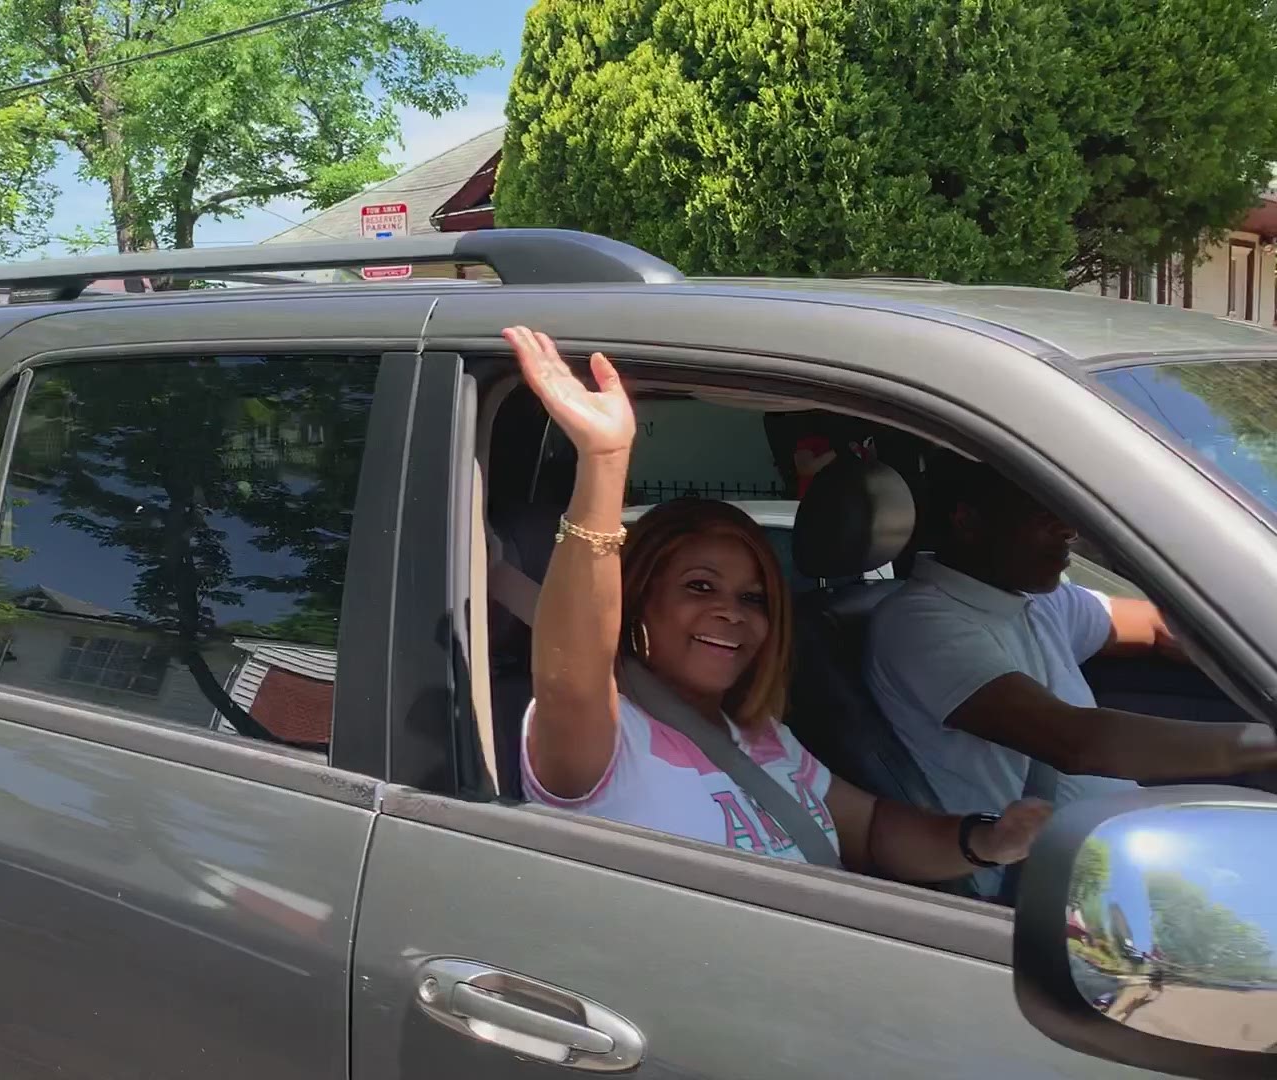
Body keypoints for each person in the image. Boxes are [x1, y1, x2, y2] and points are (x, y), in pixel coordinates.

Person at [506, 326, 1049, 880]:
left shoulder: (760, 734)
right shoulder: (603, 737)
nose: (731, 612)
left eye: (754, 597)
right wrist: (604, 460)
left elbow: (867, 829)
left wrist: (987, 839)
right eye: (699, 586)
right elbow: (571, 676)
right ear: (638, 597)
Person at [865, 456, 1277, 832]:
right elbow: (1078, 743)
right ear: (968, 522)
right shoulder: (920, 623)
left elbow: (1155, 628)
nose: (1069, 529)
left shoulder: (1038, 598)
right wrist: (1263, 745)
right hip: (1041, 878)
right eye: (1042, 512)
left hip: (1121, 841)